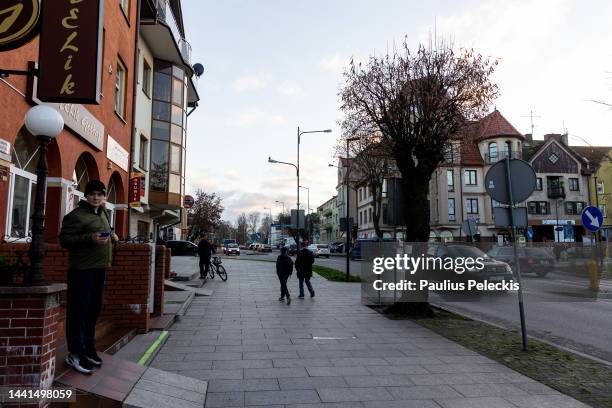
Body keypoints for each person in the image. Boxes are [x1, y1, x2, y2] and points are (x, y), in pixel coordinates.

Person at [59, 180, 118, 375]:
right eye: (92, 194)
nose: (96, 197)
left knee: (93, 311)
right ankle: (75, 353)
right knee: (78, 312)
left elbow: (101, 232)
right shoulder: (76, 216)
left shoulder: (102, 213)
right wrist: (89, 239)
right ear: (86, 195)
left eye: (99, 194)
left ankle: (88, 348)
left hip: (99, 269)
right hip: (81, 270)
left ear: (104, 197)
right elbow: (65, 240)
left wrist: (112, 235)